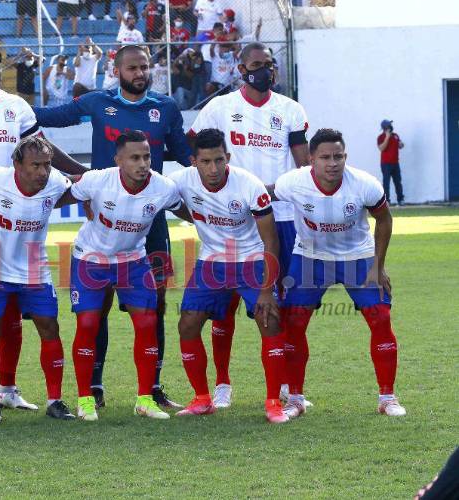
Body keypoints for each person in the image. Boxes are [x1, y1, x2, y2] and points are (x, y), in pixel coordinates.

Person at [35, 44, 193, 410]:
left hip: (149, 224)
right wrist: (6, 107)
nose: (140, 73)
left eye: (145, 67)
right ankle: (94, 384)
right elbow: (50, 117)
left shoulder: (165, 108)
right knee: (98, 306)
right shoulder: (96, 102)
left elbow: (185, 157)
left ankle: (151, 387)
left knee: (155, 304)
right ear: (117, 69)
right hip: (102, 221)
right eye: (133, 67)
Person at [0, 42, 87, 416]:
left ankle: (7, 387)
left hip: (17, 222)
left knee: (11, 309)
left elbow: (43, 147)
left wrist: (81, 172)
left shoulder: (18, 107)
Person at [187, 41, 310, 409]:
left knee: (277, 308)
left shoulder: (290, 110)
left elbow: (302, 165)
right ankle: (222, 385)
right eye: (258, 64)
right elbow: (191, 147)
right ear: (241, 69)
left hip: (281, 219)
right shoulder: (220, 108)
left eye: (270, 64)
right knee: (221, 310)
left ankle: (287, 388)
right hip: (232, 222)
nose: (266, 70)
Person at [275, 128, 406, 419]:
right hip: (310, 257)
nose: (333, 163)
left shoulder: (364, 184)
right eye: (325, 157)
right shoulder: (292, 183)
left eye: (339, 156)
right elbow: (263, 197)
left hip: (357, 258)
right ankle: (294, 397)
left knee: (381, 318)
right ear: (310, 159)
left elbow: (384, 219)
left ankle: (387, 397)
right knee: (293, 323)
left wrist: (378, 266)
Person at [170, 128, 289, 423]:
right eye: (206, 161)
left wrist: (266, 290)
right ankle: (202, 398)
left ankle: (274, 402)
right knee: (187, 324)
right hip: (211, 262)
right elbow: (150, 192)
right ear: (193, 161)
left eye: (219, 160)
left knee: (269, 320)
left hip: (251, 260)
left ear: (228, 158)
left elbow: (271, 241)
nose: (213, 169)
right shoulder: (179, 181)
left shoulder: (249, 186)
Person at [68, 130, 184, 421]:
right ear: (118, 159)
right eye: (134, 157)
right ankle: (85, 400)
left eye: (146, 156)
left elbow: (189, 210)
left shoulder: (164, 188)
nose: (143, 163)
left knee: (147, 321)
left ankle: (145, 399)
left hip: (133, 260)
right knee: (88, 322)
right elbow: (68, 194)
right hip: (90, 258)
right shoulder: (97, 180)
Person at [0, 136, 77, 422]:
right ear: (17, 164)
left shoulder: (55, 182)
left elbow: (77, 190)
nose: (43, 172)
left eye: (46, 164)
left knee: (49, 328)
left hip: (34, 266)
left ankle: (55, 400)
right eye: (35, 165)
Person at [377, 119, 404, 206]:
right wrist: (387, 137)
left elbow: (400, 145)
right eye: (389, 126)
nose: (391, 127)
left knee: (398, 182)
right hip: (385, 164)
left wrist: (401, 144)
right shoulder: (380, 137)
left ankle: (401, 200)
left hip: (395, 163)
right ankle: (386, 201)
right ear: (385, 128)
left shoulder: (396, 135)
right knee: (386, 183)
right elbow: (381, 148)